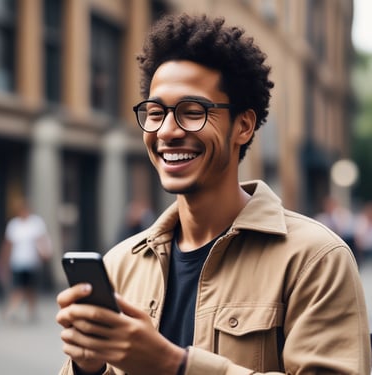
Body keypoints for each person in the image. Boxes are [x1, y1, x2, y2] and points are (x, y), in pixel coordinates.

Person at [56, 13, 371, 374]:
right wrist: (88, 367)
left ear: (243, 125)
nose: (167, 131)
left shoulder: (315, 259)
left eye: (192, 112)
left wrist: (173, 364)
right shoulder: (119, 264)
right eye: (156, 112)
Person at [0, 197, 52, 322]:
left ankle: (31, 311)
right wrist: (3, 261)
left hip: (32, 262)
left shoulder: (36, 223)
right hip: (18, 261)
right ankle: (12, 310)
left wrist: (45, 253)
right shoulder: (14, 225)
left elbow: (42, 240)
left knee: (30, 288)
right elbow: (8, 244)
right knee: (18, 287)